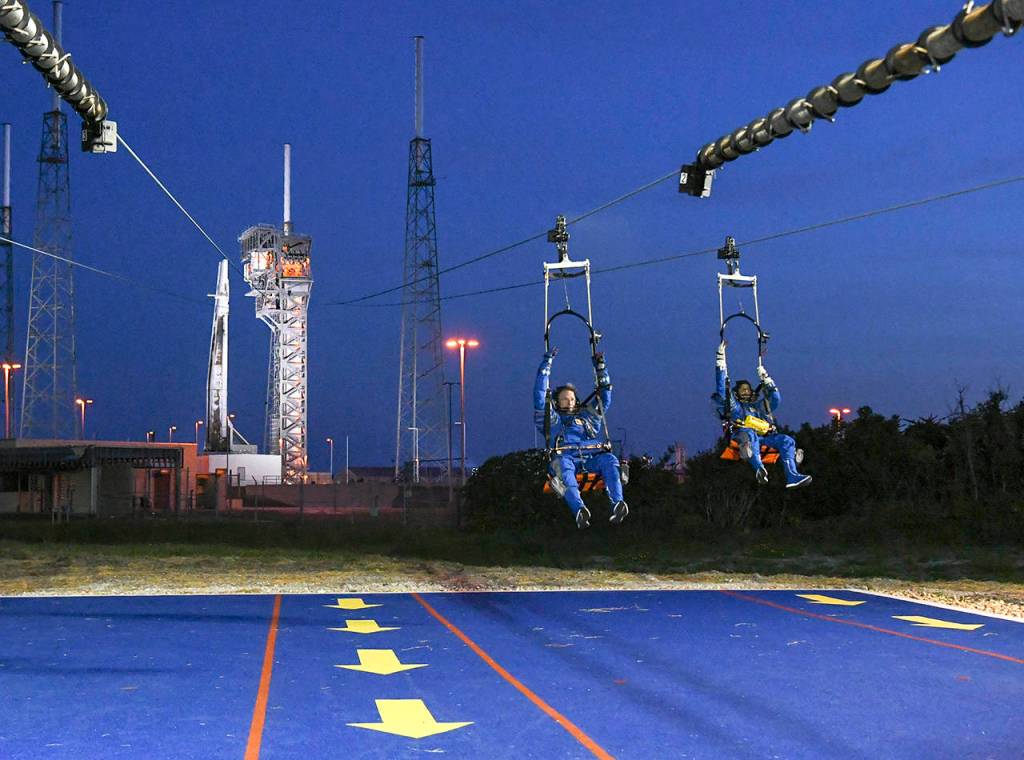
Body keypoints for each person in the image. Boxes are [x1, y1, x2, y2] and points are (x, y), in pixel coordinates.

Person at [535, 348, 629, 528]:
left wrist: (601, 367)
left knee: (609, 459)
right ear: (556, 402)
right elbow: (539, 396)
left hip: (589, 459)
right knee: (564, 467)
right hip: (566, 459)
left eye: (571, 398)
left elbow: (604, 399)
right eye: (564, 399)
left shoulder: (586, 419)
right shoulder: (553, 422)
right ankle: (579, 510)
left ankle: (618, 503)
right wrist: (546, 362)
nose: (569, 401)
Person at [713, 341, 811, 488]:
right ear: (736, 393)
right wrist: (720, 359)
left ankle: (792, 475)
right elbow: (722, 390)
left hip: (763, 439)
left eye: (748, 389)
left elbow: (776, 399)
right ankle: (759, 469)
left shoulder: (759, 407)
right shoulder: (736, 408)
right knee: (750, 434)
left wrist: (766, 378)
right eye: (742, 390)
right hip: (744, 436)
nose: (746, 391)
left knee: (787, 440)